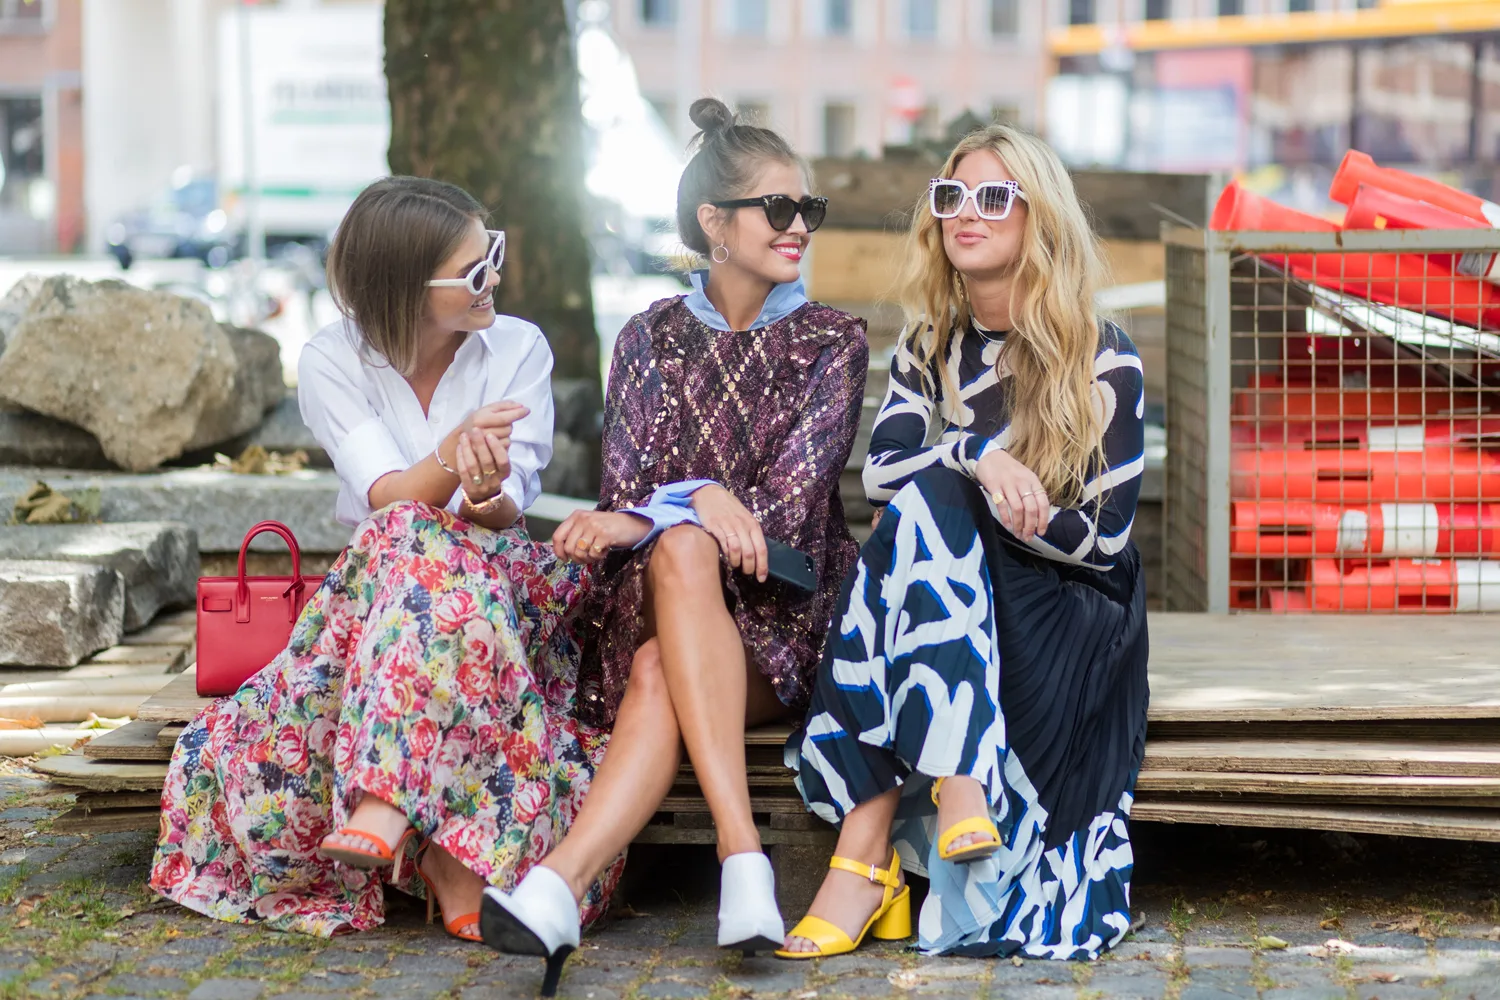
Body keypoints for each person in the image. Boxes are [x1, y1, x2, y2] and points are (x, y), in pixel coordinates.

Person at [150, 176, 624, 942]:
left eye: (492, 255)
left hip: (502, 594)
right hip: (379, 593)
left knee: (431, 540)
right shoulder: (333, 360)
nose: (495, 278)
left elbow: (501, 513)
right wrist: (451, 455)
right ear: (406, 287)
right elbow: (388, 496)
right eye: (474, 270)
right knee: (408, 533)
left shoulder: (518, 346)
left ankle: (390, 800)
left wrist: (484, 487)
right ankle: (450, 858)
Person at [477, 98, 869, 994]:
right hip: (652, 604)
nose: (799, 226)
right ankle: (744, 861)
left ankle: (559, 889)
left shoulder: (832, 341)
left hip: (782, 620)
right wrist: (699, 505)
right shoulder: (648, 335)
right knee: (680, 559)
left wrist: (684, 503)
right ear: (714, 224)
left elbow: (792, 513)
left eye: (808, 209)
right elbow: (620, 496)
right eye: (779, 208)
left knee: (669, 624)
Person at [782, 124, 1149, 960]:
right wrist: (978, 460)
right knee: (928, 498)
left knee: (922, 514)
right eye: (952, 198)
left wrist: (993, 511)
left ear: (1039, 217)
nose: (967, 215)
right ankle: (955, 782)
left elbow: (1102, 544)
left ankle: (865, 856)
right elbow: (879, 472)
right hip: (960, 597)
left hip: (1069, 610)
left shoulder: (1104, 358)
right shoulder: (929, 345)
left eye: (993, 198)